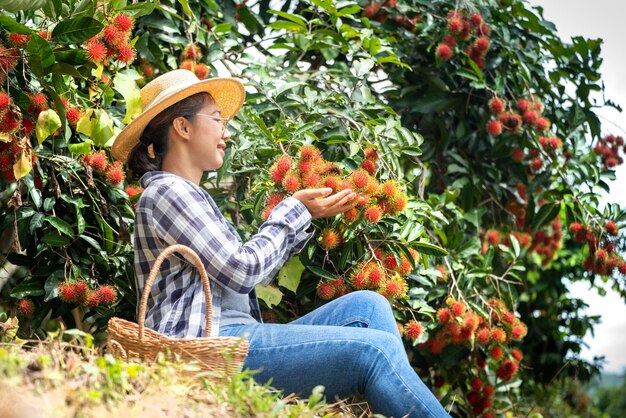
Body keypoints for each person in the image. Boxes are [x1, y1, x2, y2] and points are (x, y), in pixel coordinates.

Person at [111, 69, 450, 418]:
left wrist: (305, 216)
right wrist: (294, 210)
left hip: (237, 338)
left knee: (369, 306)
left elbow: (243, 272)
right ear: (182, 127)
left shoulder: (189, 195)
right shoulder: (167, 191)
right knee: (373, 352)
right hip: (207, 349)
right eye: (216, 118)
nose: (225, 131)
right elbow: (242, 270)